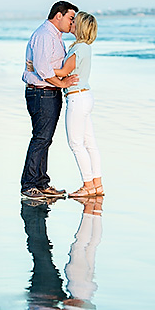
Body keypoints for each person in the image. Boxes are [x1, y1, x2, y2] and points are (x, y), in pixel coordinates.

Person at [20, 1, 80, 200]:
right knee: (40, 138)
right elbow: (43, 69)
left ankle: (41, 183)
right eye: (71, 18)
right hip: (41, 93)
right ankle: (29, 185)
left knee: (45, 139)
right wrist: (63, 84)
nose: (73, 23)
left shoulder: (55, 36)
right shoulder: (45, 35)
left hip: (47, 92)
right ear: (59, 15)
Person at [53, 11, 104, 198]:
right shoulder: (85, 47)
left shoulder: (78, 48)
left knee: (76, 144)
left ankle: (87, 185)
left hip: (77, 98)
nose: (72, 23)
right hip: (86, 96)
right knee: (90, 143)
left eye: (75, 22)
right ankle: (97, 185)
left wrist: (40, 67)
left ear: (80, 26)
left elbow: (64, 71)